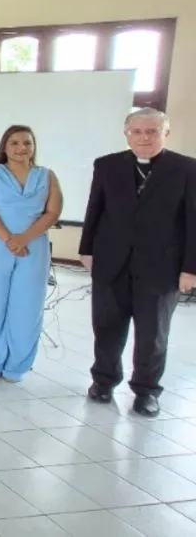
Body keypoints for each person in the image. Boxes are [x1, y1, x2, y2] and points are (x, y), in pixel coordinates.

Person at [80, 108, 196, 417]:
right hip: (111, 261)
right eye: (138, 132)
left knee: (152, 334)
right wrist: (86, 249)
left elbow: (193, 220)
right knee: (106, 327)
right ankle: (103, 381)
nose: (144, 138)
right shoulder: (107, 165)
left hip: (162, 267)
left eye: (152, 132)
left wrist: (191, 268)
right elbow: (95, 208)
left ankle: (146, 391)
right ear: (127, 134)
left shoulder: (186, 168)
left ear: (165, 134)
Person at [0, 125, 62, 382]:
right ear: (5, 147)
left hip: (34, 246)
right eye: (14, 143)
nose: (21, 148)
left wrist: (25, 238)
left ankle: (17, 366)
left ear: (34, 147)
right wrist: (9, 239)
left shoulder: (47, 176)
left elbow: (53, 212)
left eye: (27, 143)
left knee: (28, 306)